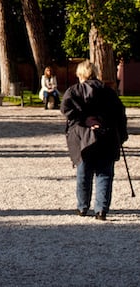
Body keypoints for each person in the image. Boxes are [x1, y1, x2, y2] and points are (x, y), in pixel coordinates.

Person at [61, 60, 128, 221]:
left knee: (83, 173)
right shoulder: (108, 91)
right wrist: (121, 135)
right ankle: (101, 210)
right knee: (104, 173)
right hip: (107, 135)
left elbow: (66, 109)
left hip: (82, 138)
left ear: (80, 74)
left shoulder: (74, 91)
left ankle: (83, 207)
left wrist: (85, 120)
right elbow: (119, 113)